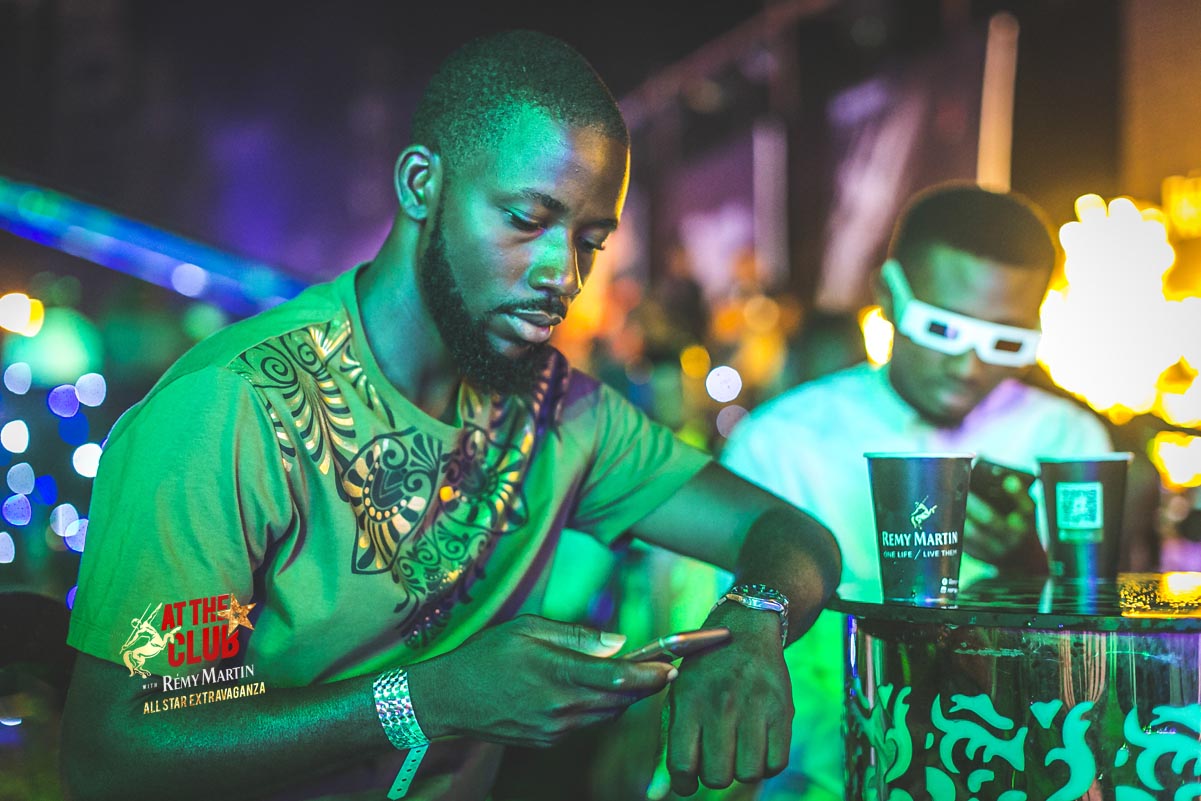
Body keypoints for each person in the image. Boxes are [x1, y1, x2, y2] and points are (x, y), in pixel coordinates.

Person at [59, 31, 841, 801]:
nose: (563, 275)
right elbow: (111, 753)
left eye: (590, 242)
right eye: (526, 220)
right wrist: (427, 699)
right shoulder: (235, 406)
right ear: (420, 185)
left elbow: (790, 535)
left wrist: (753, 620)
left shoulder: (560, 413)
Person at [720, 183, 1113, 800]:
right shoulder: (784, 443)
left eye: (1005, 341)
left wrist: (1026, 566)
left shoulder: (1065, 442)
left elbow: (1094, 656)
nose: (968, 366)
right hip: (822, 776)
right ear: (888, 295)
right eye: (944, 329)